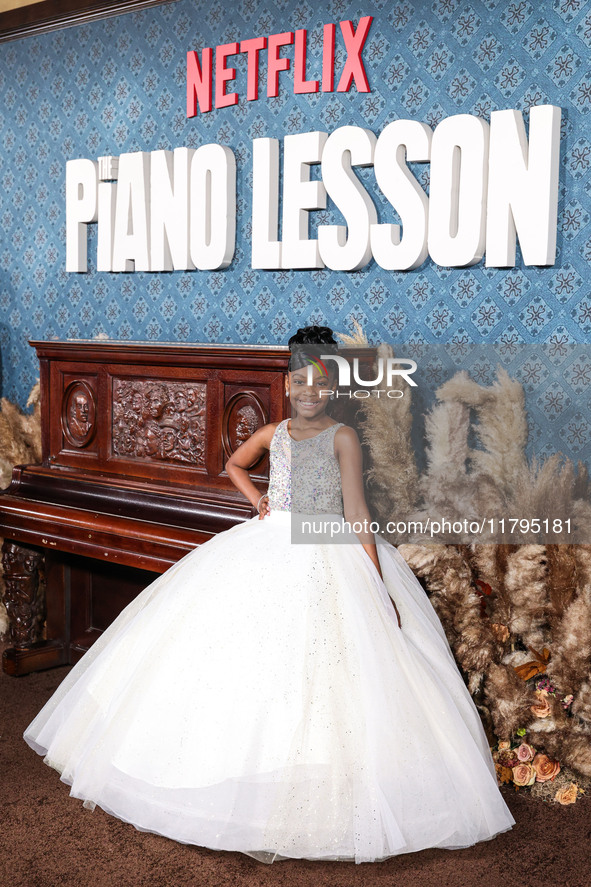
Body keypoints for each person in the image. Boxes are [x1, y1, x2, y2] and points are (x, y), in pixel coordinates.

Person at [23, 325, 516, 865]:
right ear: (286, 383)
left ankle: (319, 786)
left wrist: (378, 585)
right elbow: (233, 464)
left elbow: (356, 512)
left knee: (330, 668)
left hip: (331, 549)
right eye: (301, 380)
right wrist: (258, 499)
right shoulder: (275, 432)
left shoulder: (342, 438)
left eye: (321, 383)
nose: (311, 391)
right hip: (269, 542)